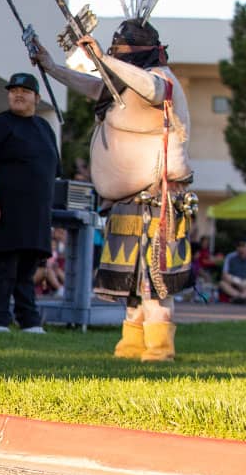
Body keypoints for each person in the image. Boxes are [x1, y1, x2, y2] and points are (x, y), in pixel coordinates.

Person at [32, 19, 196, 361]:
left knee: (154, 279)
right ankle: (132, 344)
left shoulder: (161, 79)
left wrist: (104, 60)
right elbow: (92, 86)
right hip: (126, 201)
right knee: (132, 284)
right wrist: (51, 67)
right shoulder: (120, 84)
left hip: (158, 198)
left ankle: (159, 347)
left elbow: (152, 90)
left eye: (120, 55)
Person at [0, 73, 58, 333]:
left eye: (25, 91)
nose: (18, 95)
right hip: (3, 210)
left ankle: (28, 320)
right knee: (4, 267)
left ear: (37, 98)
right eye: (14, 90)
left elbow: (51, 172)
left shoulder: (45, 129)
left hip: (35, 214)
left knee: (28, 270)